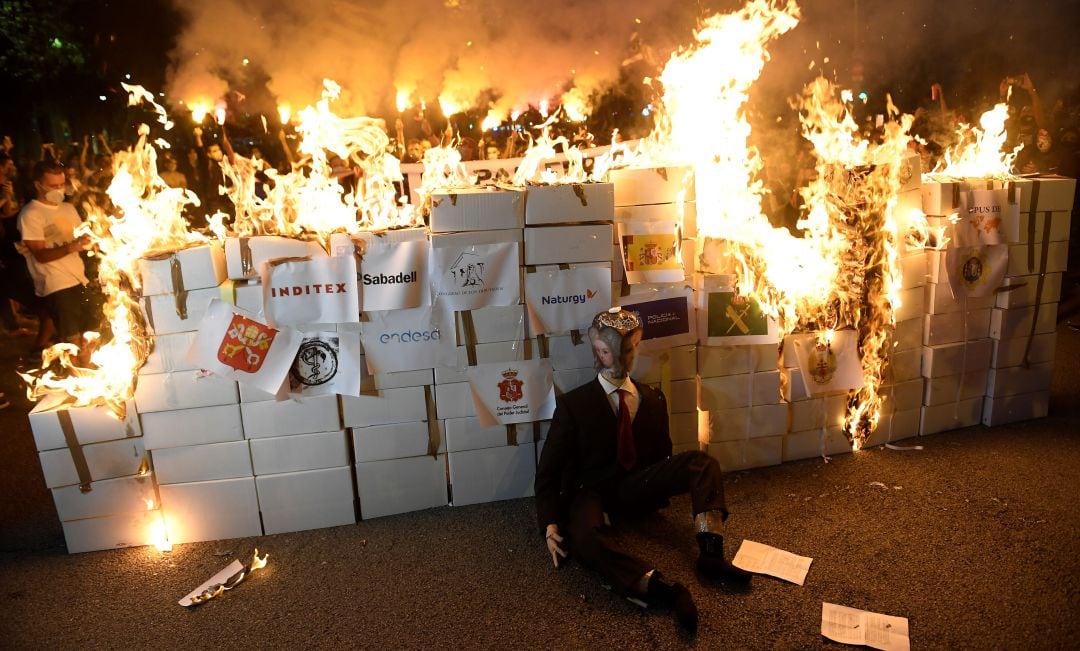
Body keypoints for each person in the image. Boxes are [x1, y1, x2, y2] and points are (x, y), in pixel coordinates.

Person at [535, 307, 752, 634]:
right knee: (583, 540)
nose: (624, 358)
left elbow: (661, 457)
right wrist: (550, 523)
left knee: (702, 462)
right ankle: (661, 588)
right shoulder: (574, 406)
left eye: (631, 349)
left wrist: (658, 485)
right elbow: (548, 471)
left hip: (634, 486)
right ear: (598, 351)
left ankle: (711, 553)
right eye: (612, 351)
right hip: (590, 491)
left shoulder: (651, 399)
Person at [16, 160, 100, 359]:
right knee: (72, 341)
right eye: (53, 186)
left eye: (61, 185)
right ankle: (76, 381)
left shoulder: (68, 209)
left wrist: (91, 243)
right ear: (38, 185)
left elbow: (81, 238)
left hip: (80, 278)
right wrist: (71, 247)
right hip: (56, 283)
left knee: (92, 334)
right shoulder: (30, 214)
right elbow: (40, 255)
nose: (59, 189)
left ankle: (90, 376)